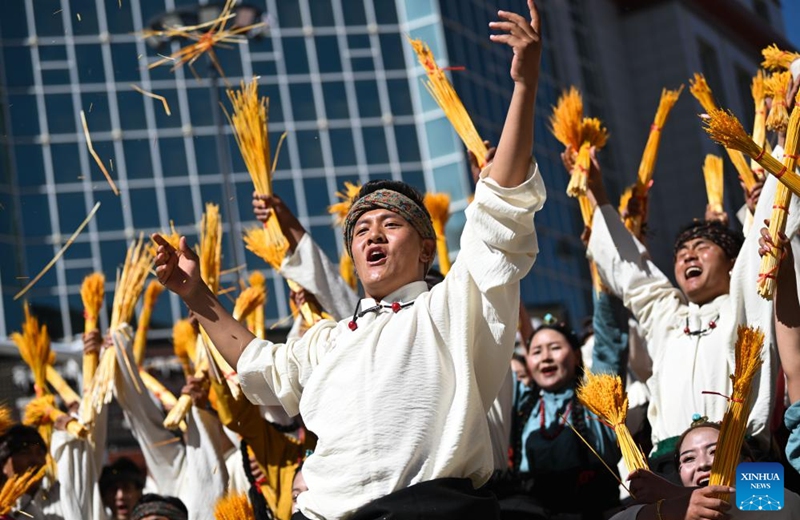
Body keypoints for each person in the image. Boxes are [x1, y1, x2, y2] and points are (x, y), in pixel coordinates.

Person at [153, 2, 544, 517]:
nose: (372, 235)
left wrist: (524, 85)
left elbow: (501, 203)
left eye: (391, 224)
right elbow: (257, 363)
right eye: (360, 230)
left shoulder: (453, 307)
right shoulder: (328, 341)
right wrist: (195, 293)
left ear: (426, 249)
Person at [576, 144, 800, 480]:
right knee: (639, 510)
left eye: (702, 247)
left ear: (733, 264)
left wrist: (784, 147)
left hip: (747, 458)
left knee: (781, 506)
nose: (688, 256)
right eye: (681, 253)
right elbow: (630, 271)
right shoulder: (666, 315)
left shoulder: (748, 302)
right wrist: (596, 192)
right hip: (671, 468)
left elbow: (767, 234)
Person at [505, 321, 622, 519]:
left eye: (555, 348)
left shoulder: (597, 401)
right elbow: (493, 357)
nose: (546, 357)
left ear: (576, 356)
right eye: (536, 352)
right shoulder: (521, 405)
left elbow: (608, 341)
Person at [613, 420, 800, 519]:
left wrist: (673, 493)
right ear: (679, 473)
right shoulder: (668, 513)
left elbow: (779, 496)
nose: (703, 464)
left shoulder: (782, 498)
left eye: (716, 452)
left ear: (748, 465)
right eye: (689, 458)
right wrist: (665, 509)